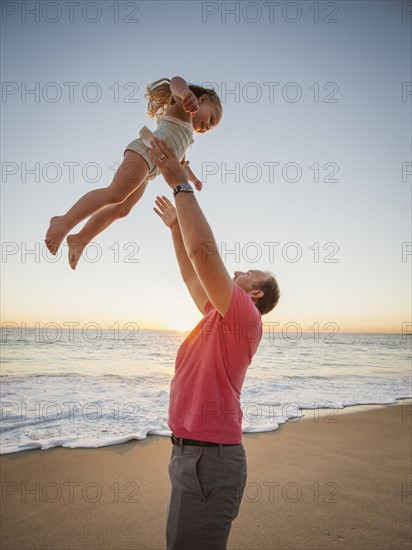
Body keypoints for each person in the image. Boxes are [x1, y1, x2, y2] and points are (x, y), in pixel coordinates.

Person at [150, 137, 280, 550]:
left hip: (211, 460)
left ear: (254, 294)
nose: (238, 270)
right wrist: (174, 228)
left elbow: (205, 254)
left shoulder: (243, 316)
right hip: (191, 457)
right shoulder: (217, 316)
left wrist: (180, 185)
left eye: (248, 272)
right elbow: (193, 273)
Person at [44, 76, 222, 269]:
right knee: (115, 193)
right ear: (202, 100)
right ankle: (63, 222)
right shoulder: (185, 109)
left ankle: (81, 239)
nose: (206, 127)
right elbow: (175, 83)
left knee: (122, 209)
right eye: (210, 119)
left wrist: (193, 179)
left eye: (210, 128)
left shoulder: (188, 135)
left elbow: (181, 164)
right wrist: (185, 92)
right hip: (144, 151)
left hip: (150, 171)